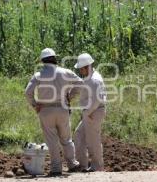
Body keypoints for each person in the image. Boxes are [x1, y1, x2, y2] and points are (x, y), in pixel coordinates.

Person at [25, 48, 82, 176]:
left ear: (42, 61)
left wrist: (35, 105)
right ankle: (72, 164)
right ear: (55, 58)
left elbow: (28, 93)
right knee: (66, 139)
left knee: (52, 140)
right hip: (62, 109)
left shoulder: (38, 75)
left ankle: (56, 168)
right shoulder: (65, 72)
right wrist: (70, 96)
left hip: (45, 110)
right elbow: (80, 83)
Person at [72, 53, 107, 172]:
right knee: (78, 135)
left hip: (94, 112)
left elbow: (97, 100)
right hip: (90, 111)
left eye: (81, 69)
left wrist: (88, 113)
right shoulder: (89, 78)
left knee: (93, 140)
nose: (80, 71)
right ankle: (83, 164)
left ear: (87, 67)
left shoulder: (94, 80)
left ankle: (97, 166)